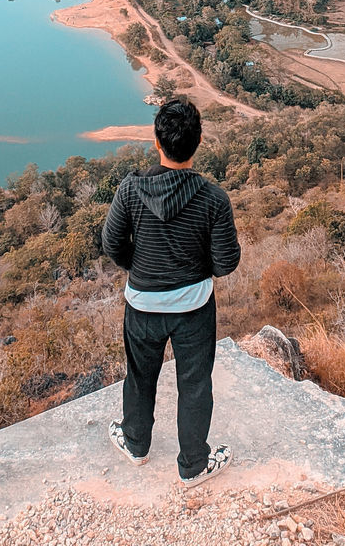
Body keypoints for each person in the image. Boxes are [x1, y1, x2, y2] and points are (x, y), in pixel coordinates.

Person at [101, 96, 241, 486]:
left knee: (139, 376)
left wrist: (142, 269)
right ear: (198, 141)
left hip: (142, 305)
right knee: (194, 384)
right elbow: (226, 261)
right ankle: (194, 465)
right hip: (193, 309)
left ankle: (136, 445)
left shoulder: (130, 190)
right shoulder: (214, 199)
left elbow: (112, 243)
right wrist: (196, 271)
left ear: (156, 142)